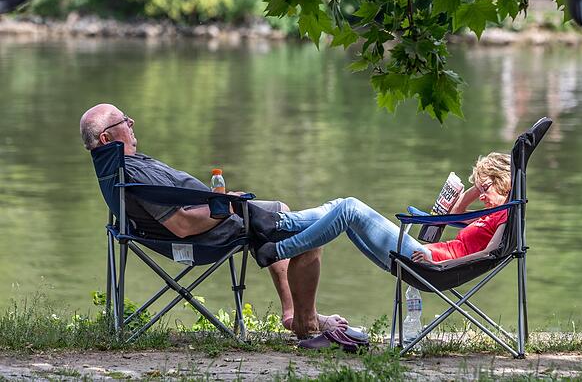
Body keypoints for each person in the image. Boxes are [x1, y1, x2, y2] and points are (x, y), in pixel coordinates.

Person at [79, 103, 346, 338]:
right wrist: (227, 205)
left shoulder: (120, 167)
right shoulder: (134, 173)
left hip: (208, 222)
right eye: (124, 121)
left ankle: (292, 312)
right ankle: (306, 321)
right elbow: (183, 226)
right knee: (314, 231)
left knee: (282, 209)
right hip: (206, 238)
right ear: (106, 137)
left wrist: (223, 201)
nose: (131, 123)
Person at [250, 153, 512, 269]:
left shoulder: (505, 214)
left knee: (350, 207)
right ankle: (277, 222)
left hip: (428, 259)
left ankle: (276, 250)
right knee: (339, 205)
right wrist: (476, 188)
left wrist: (441, 265)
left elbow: (489, 255)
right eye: (481, 190)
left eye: (485, 188)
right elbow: (457, 213)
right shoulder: (489, 212)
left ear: (503, 181)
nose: (483, 196)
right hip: (427, 255)